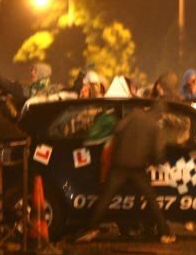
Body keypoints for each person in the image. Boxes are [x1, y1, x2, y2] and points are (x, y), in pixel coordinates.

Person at [75, 100, 175, 244]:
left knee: (106, 196)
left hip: (119, 163)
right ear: (161, 114)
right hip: (137, 167)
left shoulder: (134, 114)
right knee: (151, 198)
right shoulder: (155, 127)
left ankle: (91, 228)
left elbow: (117, 129)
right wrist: (158, 163)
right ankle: (164, 233)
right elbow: (158, 152)